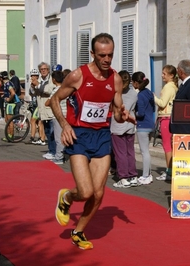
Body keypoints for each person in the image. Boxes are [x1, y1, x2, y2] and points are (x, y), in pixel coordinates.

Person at [50, 33, 135, 250]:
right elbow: (54, 100)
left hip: (102, 136)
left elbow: (116, 112)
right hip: (78, 135)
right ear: (93, 54)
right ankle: (67, 197)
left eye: (110, 55)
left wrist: (122, 116)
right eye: (102, 55)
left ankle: (78, 231)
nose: (107, 59)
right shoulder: (78, 76)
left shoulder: (115, 79)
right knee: (85, 192)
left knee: (98, 193)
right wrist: (65, 125)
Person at [111, 70, 138, 188]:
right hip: (130, 124)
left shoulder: (116, 93)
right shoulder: (134, 93)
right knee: (130, 152)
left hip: (118, 124)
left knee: (120, 153)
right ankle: (133, 175)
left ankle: (123, 177)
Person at [154, 65, 178, 181]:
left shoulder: (169, 87)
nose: (162, 76)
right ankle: (170, 170)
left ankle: (169, 171)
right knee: (169, 145)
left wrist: (154, 97)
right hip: (168, 118)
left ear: (171, 75)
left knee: (167, 146)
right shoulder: (173, 87)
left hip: (166, 118)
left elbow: (162, 103)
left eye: (164, 74)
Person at [132, 71, 155, 185]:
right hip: (151, 124)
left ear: (136, 82)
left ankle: (145, 175)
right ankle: (148, 174)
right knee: (147, 151)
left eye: (133, 82)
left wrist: (133, 113)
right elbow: (153, 109)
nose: (132, 84)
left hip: (143, 125)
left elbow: (140, 113)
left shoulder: (140, 95)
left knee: (144, 151)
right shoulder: (149, 93)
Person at [169, 59, 190, 134]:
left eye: (177, 69)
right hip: (181, 129)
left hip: (187, 130)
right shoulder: (186, 84)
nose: (176, 72)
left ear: (181, 71)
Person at [33, 62, 56, 158]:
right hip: (42, 110)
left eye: (45, 69)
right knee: (47, 131)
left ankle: (55, 152)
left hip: (51, 110)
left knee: (52, 132)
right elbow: (34, 93)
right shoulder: (38, 80)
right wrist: (33, 86)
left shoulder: (51, 80)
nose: (43, 71)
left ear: (48, 70)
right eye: (41, 69)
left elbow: (49, 90)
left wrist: (38, 85)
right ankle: (51, 150)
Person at [45, 70, 66, 164]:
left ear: (54, 80)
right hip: (67, 114)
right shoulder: (65, 88)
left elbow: (48, 103)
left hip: (58, 115)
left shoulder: (56, 90)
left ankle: (59, 157)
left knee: (58, 138)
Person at [0, 71, 20, 141]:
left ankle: (11, 136)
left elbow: (13, 93)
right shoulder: (7, 83)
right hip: (8, 104)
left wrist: (9, 99)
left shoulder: (8, 84)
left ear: (2, 78)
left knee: (10, 120)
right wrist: (4, 96)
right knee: (6, 119)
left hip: (11, 104)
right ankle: (9, 134)